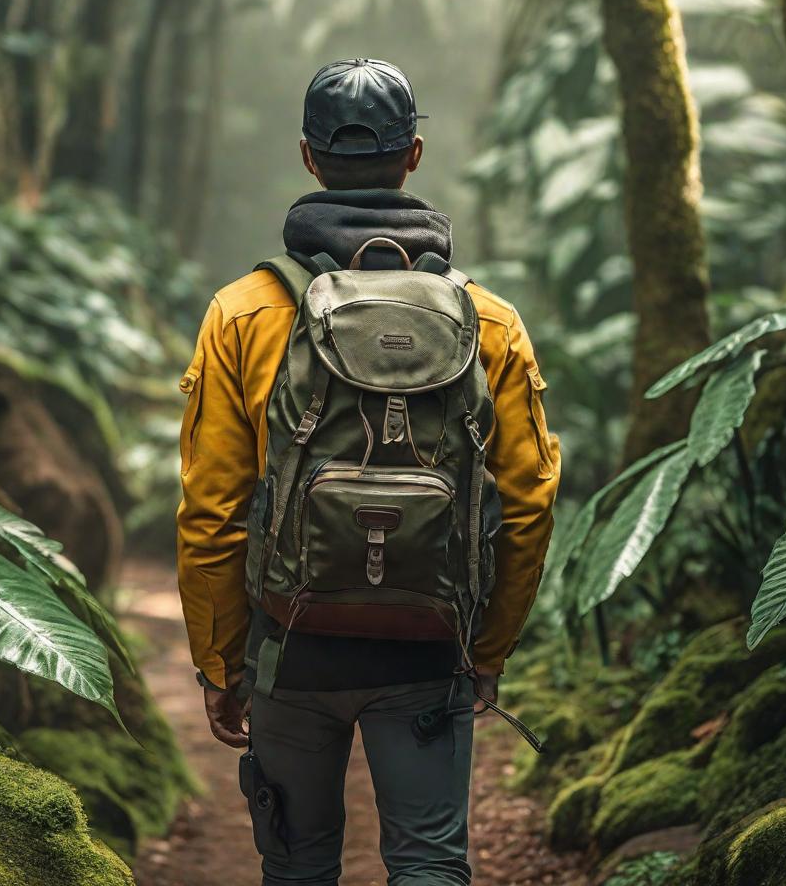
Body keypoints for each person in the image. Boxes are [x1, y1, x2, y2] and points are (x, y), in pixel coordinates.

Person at [177, 58, 561, 886]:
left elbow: (212, 512)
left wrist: (222, 664)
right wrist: (486, 650)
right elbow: (528, 508)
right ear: (413, 157)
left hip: (289, 646)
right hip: (428, 652)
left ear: (309, 157)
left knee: (300, 864)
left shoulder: (242, 313)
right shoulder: (484, 321)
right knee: (428, 862)